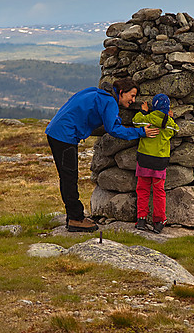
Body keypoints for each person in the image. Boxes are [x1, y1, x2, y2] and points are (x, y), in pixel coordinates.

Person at [45, 78, 160, 232]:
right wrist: (141, 132)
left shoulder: (95, 92)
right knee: (69, 177)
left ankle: (73, 216)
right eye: (131, 96)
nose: (133, 100)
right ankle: (75, 219)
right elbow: (114, 129)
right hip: (64, 135)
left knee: (67, 176)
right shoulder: (109, 102)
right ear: (121, 92)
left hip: (56, 130)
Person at [132, 93, 179, 234]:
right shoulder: (169, 124)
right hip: (160, 162)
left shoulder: (147, 119)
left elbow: (136, 121)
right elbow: (176, 130)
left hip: (144, 160)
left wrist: (143, 111)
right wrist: (170, 117)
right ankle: (158, 221)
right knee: (159, 192)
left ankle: (141, 219)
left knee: (142, 190)